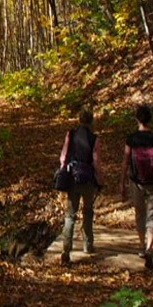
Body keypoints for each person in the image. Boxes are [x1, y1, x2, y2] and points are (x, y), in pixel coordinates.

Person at [119, 104, 153, 270]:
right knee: (152, 215)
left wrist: (121, 182)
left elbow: (126, 162)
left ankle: (142, 246)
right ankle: (149, 248)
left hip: (136, 182)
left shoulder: (132, 138)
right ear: (150, 119)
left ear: (136, 119)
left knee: (139, 213)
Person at [59, 108, 102, 264]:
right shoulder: (94, 139)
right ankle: (88, 245)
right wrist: (100, 178)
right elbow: (96, 161)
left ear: (79, 120)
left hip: (72, 178)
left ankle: (66, 249)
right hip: (88, 179)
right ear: (91, 121)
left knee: (70, 214)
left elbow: (63, 157)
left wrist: (64, 171)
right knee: (88, 211)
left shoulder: (70, 134)